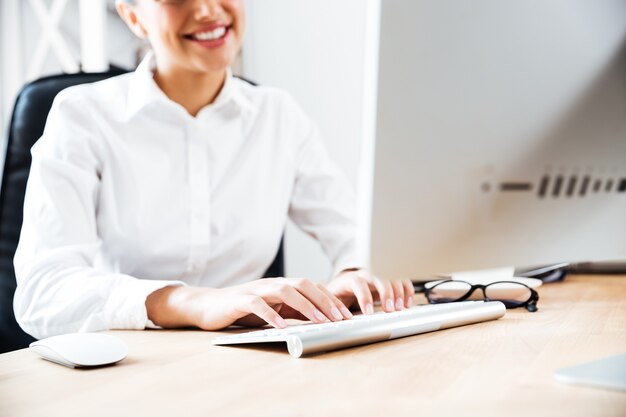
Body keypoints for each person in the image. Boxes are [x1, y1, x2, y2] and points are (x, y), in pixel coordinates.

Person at [13, 0, 414, 340]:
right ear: (134, 17)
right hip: (130, 363)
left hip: (249, 358)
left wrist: (354, 272)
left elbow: (357, 238)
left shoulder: (278, 115)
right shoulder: (81, 116)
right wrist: (193, 302)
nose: (206, 10)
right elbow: (43, 292)